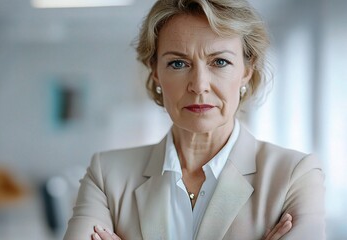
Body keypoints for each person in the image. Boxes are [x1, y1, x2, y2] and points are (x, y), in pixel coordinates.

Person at [64, 0, 326, 239]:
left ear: (246, 71)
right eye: (178, 63)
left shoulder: (295, 175)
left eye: (220, 62)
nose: (199, 85)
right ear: (155, 72)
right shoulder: (107, 175)